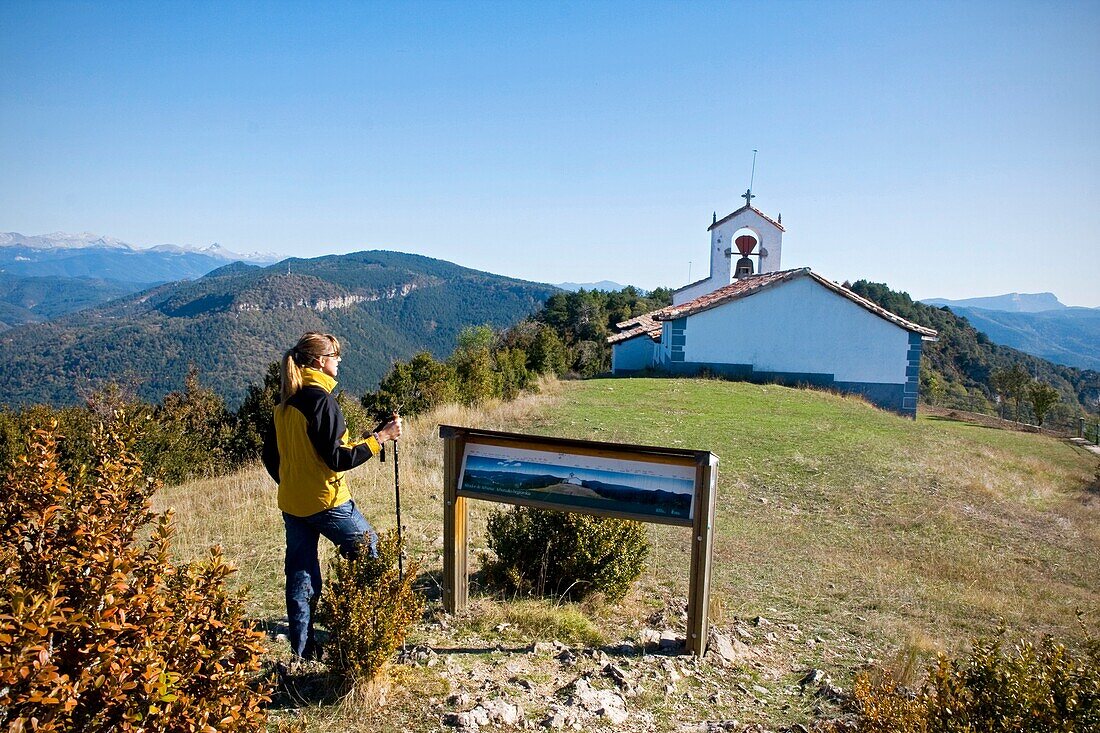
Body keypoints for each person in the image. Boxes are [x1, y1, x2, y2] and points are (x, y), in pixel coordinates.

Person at [262, 331, 402, 660]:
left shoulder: (285, 404)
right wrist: (379, 438)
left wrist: (291, 482)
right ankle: (368, 632)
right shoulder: (322, 402)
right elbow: (337, 459)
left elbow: (271, 456)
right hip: (328, 502)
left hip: (293, 504)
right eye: (335, 356)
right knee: (371, 554)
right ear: (320, 362)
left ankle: (303, 649)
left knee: (300, 572)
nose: (339, 361)